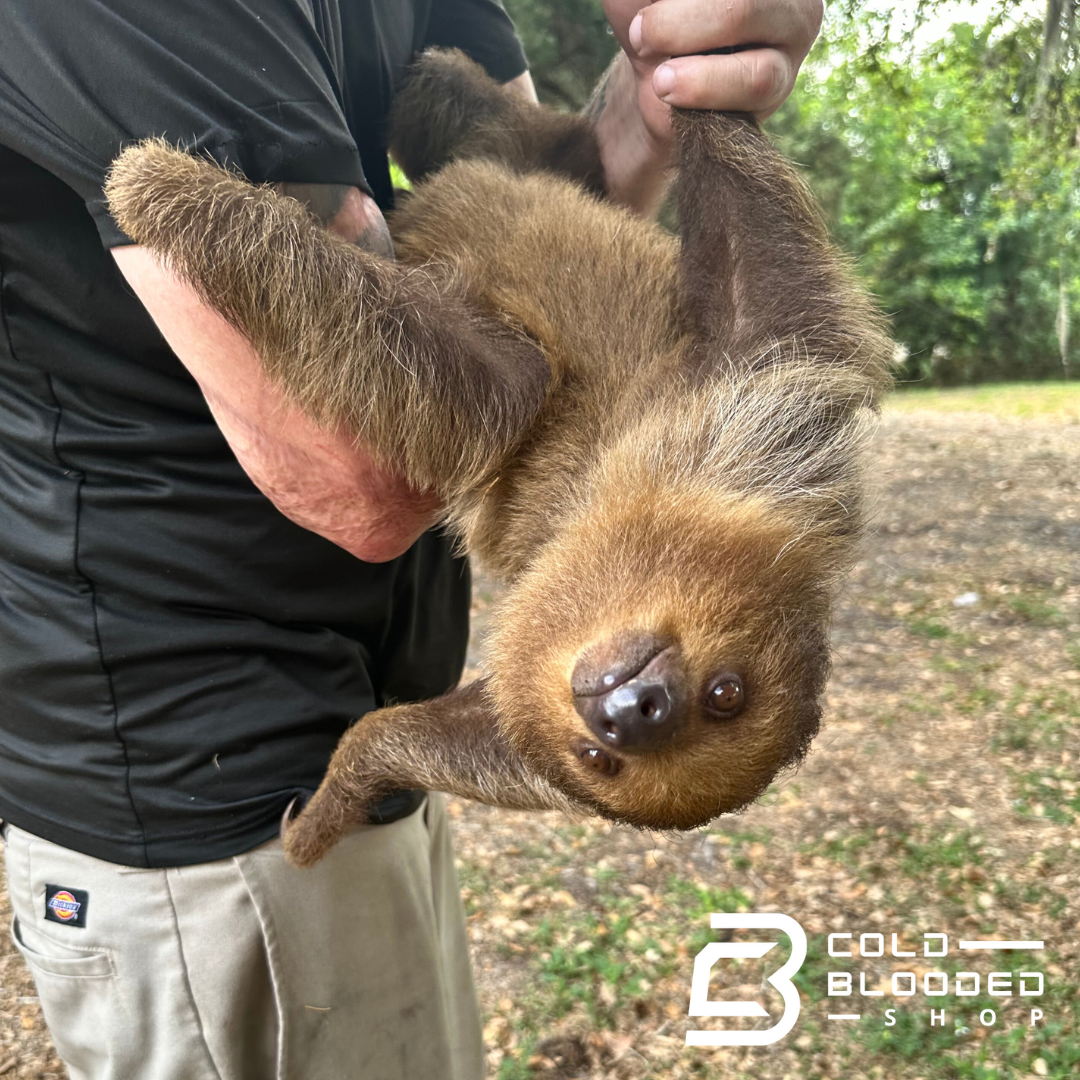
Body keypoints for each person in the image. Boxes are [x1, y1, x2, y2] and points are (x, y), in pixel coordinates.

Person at [0, 0, 822, 1076]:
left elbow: (563, 179)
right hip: (192, 765)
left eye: (609, 748)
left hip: (347, 715)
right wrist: (719, 115)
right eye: (719, 701)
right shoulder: (762, 454)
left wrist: (663, 88)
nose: (635, 708)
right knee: (488, 393)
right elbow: (370, 472)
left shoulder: (550, 670)